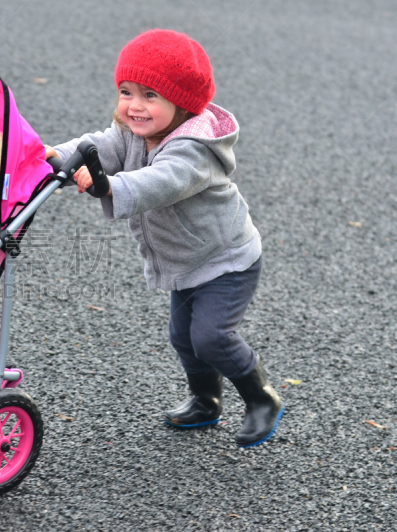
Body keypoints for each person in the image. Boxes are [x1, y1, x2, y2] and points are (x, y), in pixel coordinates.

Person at [45, 29, 283, 448]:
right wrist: (54, 159)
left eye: (150, 95)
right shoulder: (131, 130)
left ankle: (261, 396)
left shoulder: (194, 150)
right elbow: (96, 145)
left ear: (183, 102)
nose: (134, 106)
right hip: (186, 260)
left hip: (226, 260)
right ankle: (206, 400)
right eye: (126, 92)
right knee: (182, 336)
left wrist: (107, 186)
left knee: (211, 336)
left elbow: (161, 182)